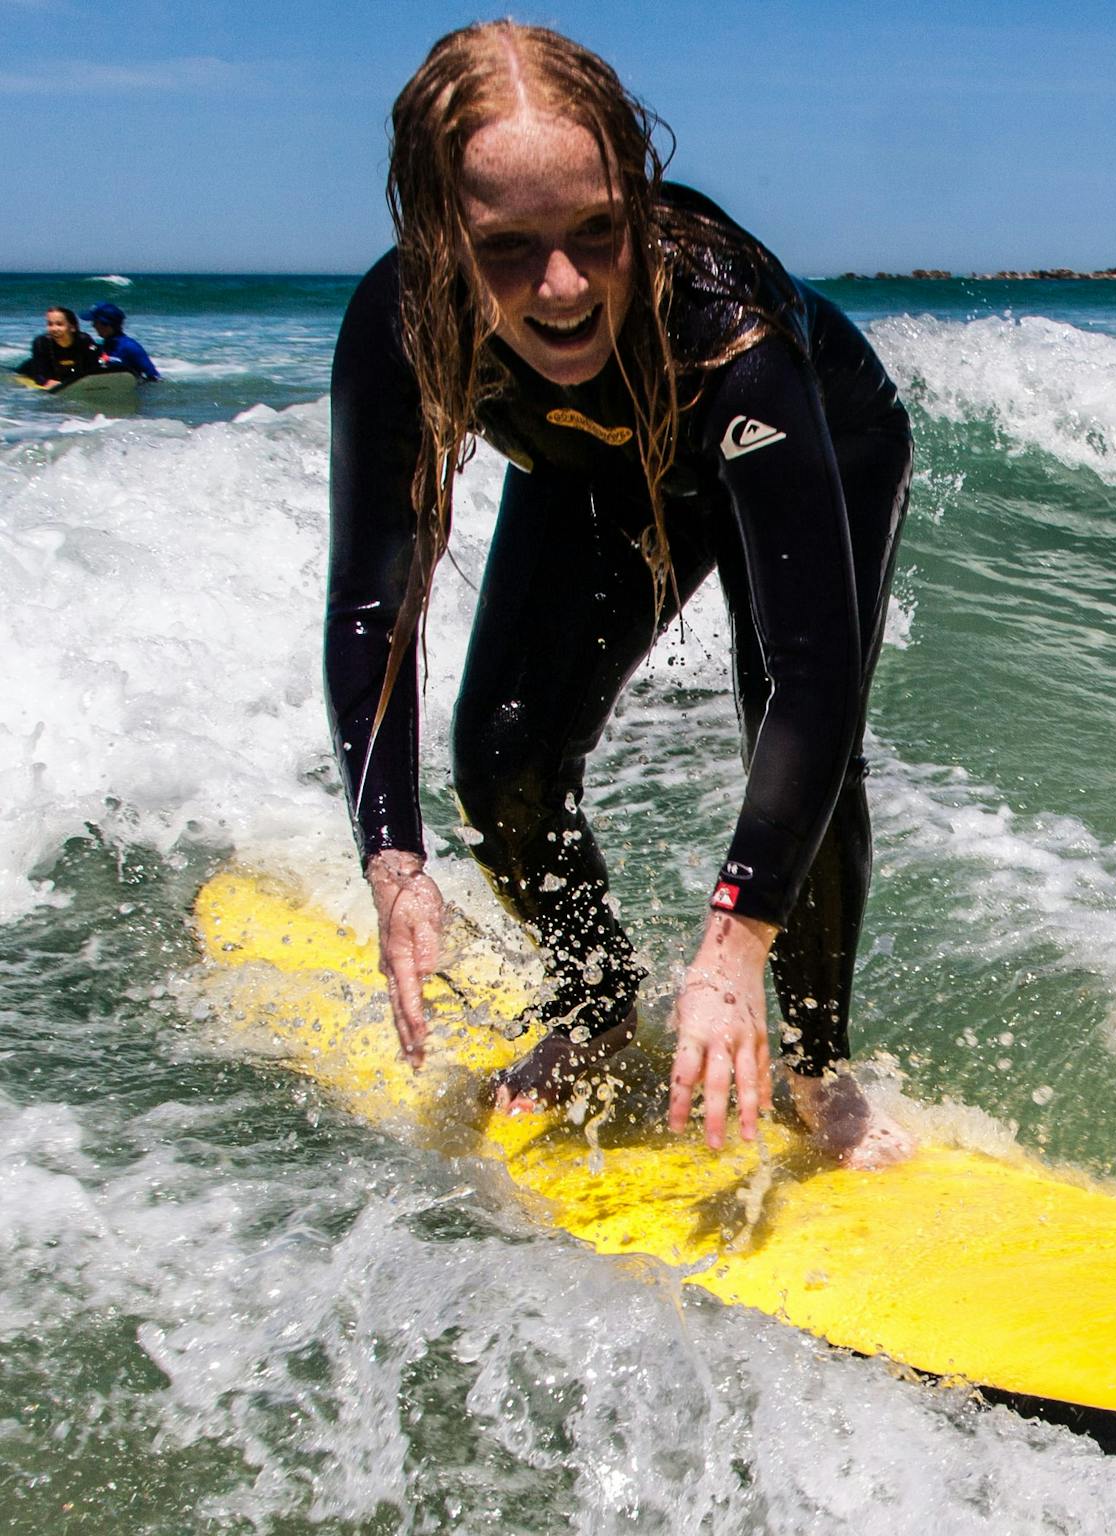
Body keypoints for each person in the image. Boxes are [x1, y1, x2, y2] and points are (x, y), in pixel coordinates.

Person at [326, 21, 915, 1168]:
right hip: (595, 464)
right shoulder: (402, 326)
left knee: (799, 742)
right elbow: (369, 612)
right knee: (502, 757)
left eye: (598, 230)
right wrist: (392, 862)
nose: (561, 289)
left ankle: (814, 1059)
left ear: (635, 198)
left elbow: (815, 677)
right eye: (506, 247)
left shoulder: (725, 328)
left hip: (817, 445)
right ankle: (595, 1007)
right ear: (438, 232)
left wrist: (732, 943)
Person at [13, 306, 103, 389]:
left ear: (72, 327)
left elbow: (94, 368)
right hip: (28, 371)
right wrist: (48, 382)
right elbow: (40, 376)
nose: (54, 329)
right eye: (50, 324)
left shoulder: (84, 340)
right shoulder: (42, 343)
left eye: (59, 324)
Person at [85, 301, 160, 381]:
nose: (93, 325)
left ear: (107, 324)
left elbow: (155, 377)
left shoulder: (130, 347)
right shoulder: (103, 346)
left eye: (95, 322)